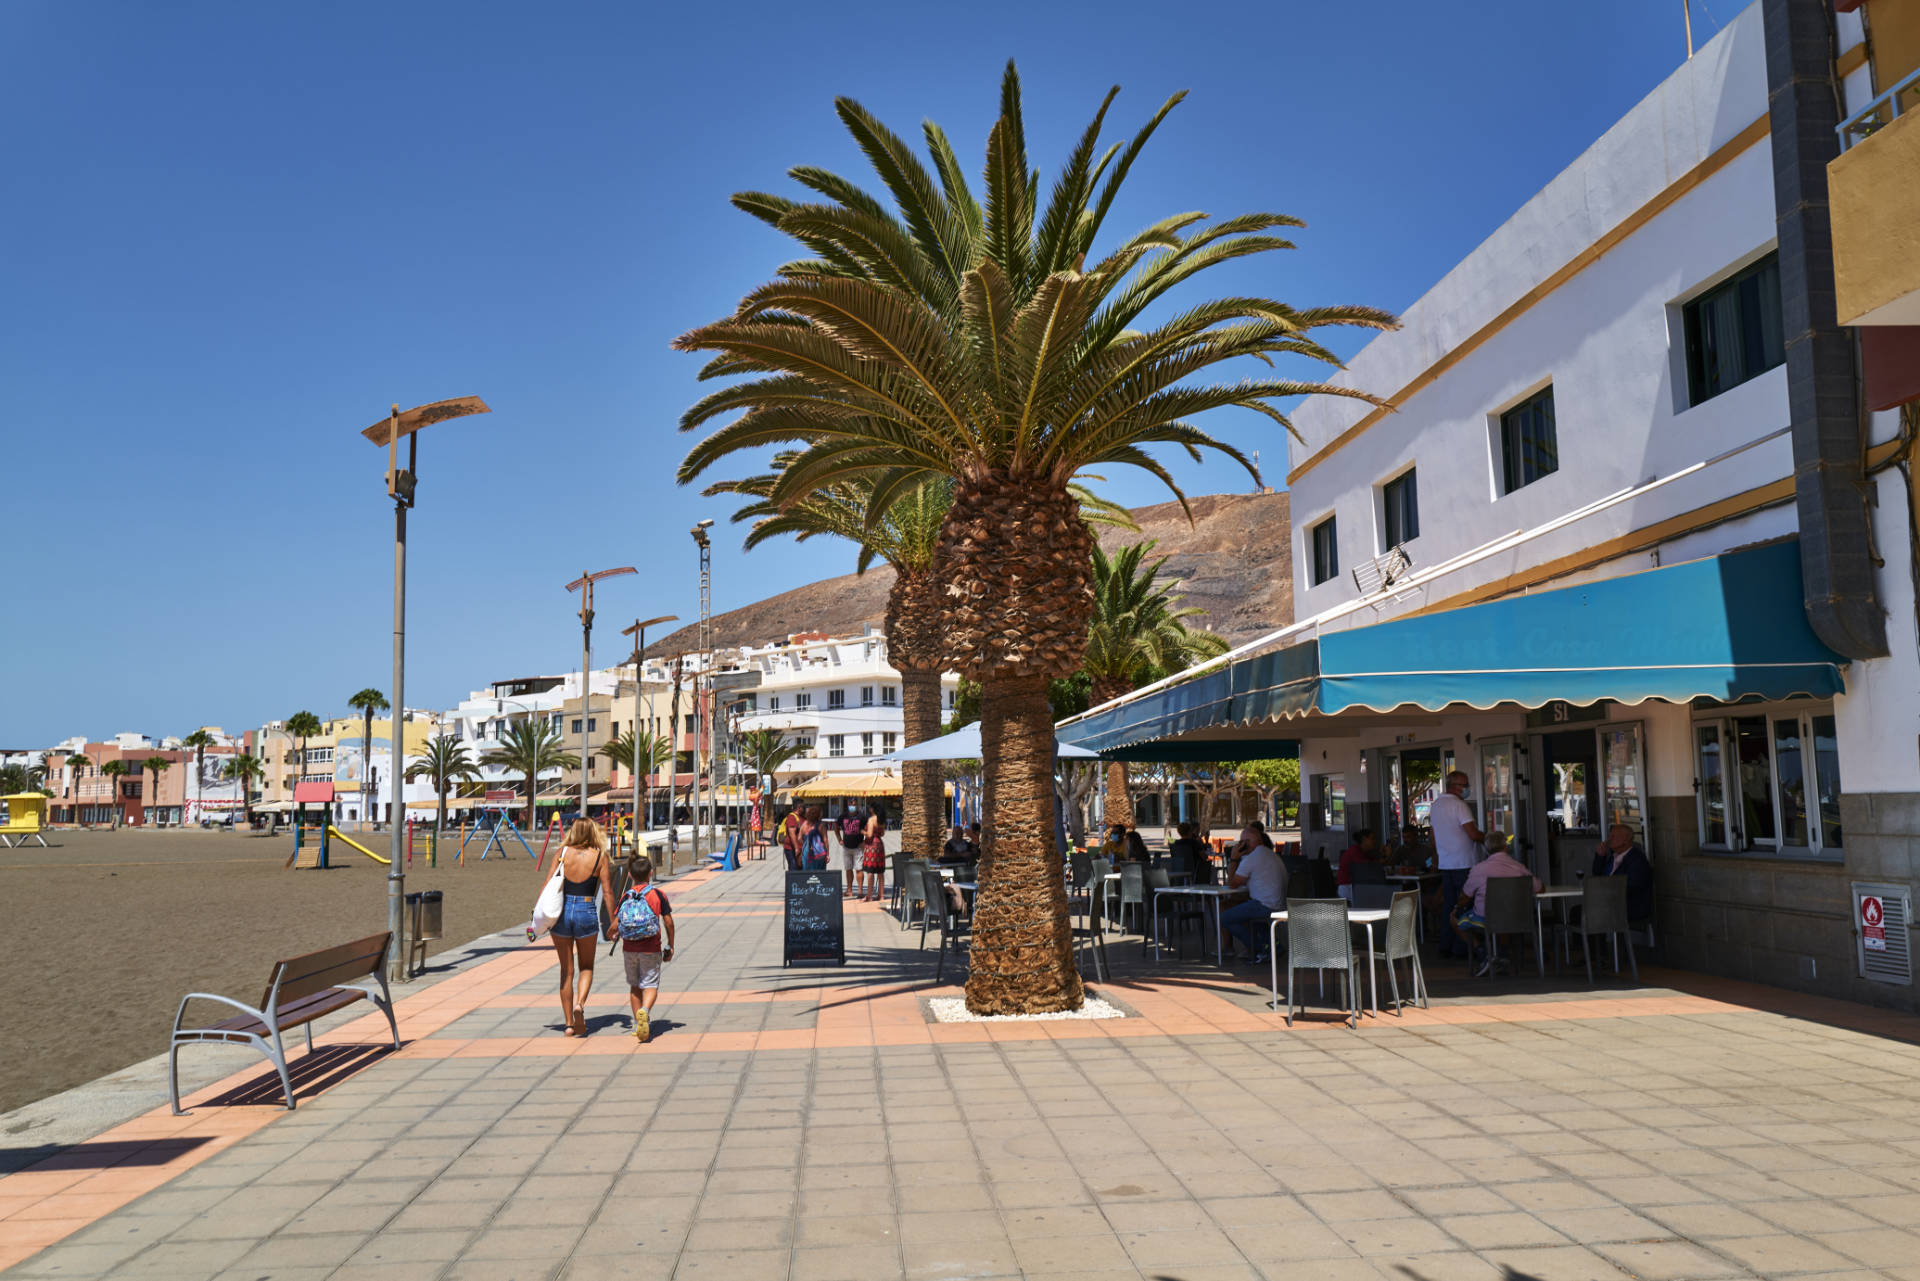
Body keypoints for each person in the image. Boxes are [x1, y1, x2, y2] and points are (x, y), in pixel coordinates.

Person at [540, 818, 617, 1037]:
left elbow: (547, 886)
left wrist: (539, 917)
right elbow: (608, 892)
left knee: (566, 970)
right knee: (586, 967)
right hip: (585, 910)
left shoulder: (562, 854)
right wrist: (613, 921)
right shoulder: (599, 856)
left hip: (562, 912)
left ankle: (568, 1024)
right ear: (593, 832)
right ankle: (580, 1005)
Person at [1451, 833, 1541, 975]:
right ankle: (1503, 955)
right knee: (1503, 915)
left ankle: (1483, 953)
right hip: (1515, 917)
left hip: (1485, 918)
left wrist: (1457, 907)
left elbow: (1465, 897)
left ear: (1487, 850)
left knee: (1455, 920)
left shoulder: (1479, 869)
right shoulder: (1517, 867)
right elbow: (1539, 888)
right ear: (1505, 847)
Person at [617, 854, 675, 1043]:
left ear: (631, 875)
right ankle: (645, 1011)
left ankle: (637, 1024)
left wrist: (612, 934)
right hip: (651, 947)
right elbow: (668, 922)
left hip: (629, 948)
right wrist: (670, 944)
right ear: (651, 873)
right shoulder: (657, 895)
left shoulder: (626, 895)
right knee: (650, 985)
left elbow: (617, 921)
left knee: (635, 986)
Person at [1429, 772, 1487, 958]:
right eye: (1465, 784)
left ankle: (1445, 945)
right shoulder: (1460, 805)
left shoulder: (1436, 805)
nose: (1467, 787)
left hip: (1446, 864)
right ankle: (1463, 947)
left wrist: (1437, 856)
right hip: (1464, 863)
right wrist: (1491, 838)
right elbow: (1472, 834)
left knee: (1449, 905)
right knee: (1465, 904)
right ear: (1456, 785)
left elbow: (1433, 835)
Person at [1219, 824, 1286, 963]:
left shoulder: (1252, 858)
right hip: (1279, 903)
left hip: (1264, 905)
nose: (1240, 845)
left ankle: (1260, 948)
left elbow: (1232, 883)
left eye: (1242, 842)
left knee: (1225, 917)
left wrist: (1234, 858)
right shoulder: (1269, 854)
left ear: (1248, 843)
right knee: (1236, 907)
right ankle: (1273, 945)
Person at [1590, 823, 1654, 922]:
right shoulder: (1613, 856)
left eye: (1613, 836)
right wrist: (1600, 857)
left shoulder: (1637, 860)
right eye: (1610, 836)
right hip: (1611, 904)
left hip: (1629, 907)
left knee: (1589, 915)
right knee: (1582, 912)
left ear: (1625, 840)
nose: (1609, 839)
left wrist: (1607, 892)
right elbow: (1597, 875)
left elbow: (1633, 886)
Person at [1336, 829, 1381, 900]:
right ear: (1364, 839)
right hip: (1348, 887)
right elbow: (1369, 868)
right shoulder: (1354, 852)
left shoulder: (1364, 852)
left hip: (1357, 886)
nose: (1374, 841)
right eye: (1372, 839)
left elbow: (1376, 864)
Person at [859, 801, 889, 902]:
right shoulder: (881, 820)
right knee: (880, 871)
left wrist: (862, 831)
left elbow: (870, 834)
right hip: (880, 845)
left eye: (870, 808)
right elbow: (883, 833)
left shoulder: (871, 819)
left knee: (870, 871)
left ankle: (869, 895)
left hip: (871, 846)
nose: (869, 809)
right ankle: (881, 895)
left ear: (873, 809)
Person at [838, 807, 865, 895]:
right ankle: (849, 890)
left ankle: (860, 891)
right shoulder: (843, 816)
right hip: (846, 847)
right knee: (848, 869)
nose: (852, 805)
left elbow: (869, 827)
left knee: (859, 869)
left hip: (858, 847)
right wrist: (839, 839)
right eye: (850, 803)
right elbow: (836, 825)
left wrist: (865, 841)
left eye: (854, 803)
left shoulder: (861, 816)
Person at [800, 805, 831, 871]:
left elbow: (799, 838)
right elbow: (825, 840)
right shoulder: (821, 825)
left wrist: (806, 845)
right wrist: (827, 854)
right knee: (819, 874)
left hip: (807, 852)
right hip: (819, 852)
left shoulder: (805, 823)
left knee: (807, 873)